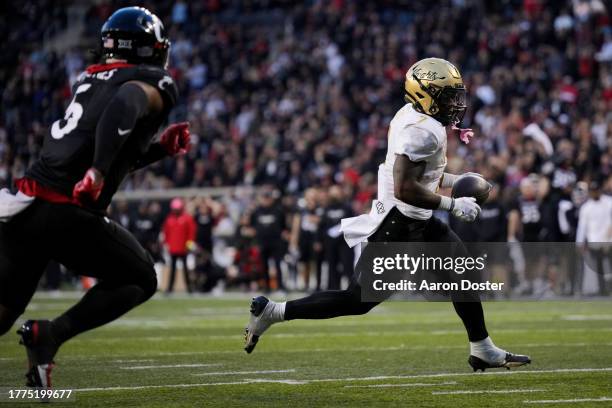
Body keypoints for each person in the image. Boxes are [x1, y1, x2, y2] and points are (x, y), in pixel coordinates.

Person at [244, 58, 531, 371]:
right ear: (425, 94)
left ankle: (482, 349)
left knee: (462, 274)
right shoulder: (423, 132)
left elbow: (421, 174)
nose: (456, 103)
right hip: (401, 225)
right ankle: (272, 311)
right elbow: (406, 187)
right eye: (448, 96)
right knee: (358, 300)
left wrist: (456, 180)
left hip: (414, 219)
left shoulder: (414, 115)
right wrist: (453, 204)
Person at [0, 7, 190, 389]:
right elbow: (127, 103)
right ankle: (51, 334)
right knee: (140, 278)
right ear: (145, 47)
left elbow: (102, 137)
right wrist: (98, 172)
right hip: (66, 210)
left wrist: (157, 151)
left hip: (26, 205)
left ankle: (45, 342)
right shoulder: (149, 80)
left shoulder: (90, 78)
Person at [163, 198, 196, 293]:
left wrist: (189, 244)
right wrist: (166, 244)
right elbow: (166, 233)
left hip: (183, 249)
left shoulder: (187, 218)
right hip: (173, 249)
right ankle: (169, 288)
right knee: (172, 269)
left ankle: (189, 288)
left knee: (186, 269)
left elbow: (191, 233)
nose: (176, 210)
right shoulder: (169, 219)